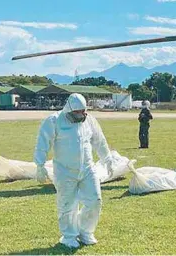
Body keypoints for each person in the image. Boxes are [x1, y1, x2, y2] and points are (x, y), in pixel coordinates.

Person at [34, 93, 113, 248]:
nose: (82, 115)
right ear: (69, 109)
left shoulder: (89, 120)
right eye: (78, 112)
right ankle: (69, 236)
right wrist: (40, 165)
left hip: (87, 169)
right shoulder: (54, 121)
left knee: (95, 200)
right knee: (67, 205)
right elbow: (43, 142)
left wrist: (107, 159)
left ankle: (85, 231)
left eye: (83, 111)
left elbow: (99, 140)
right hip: (64, 171)